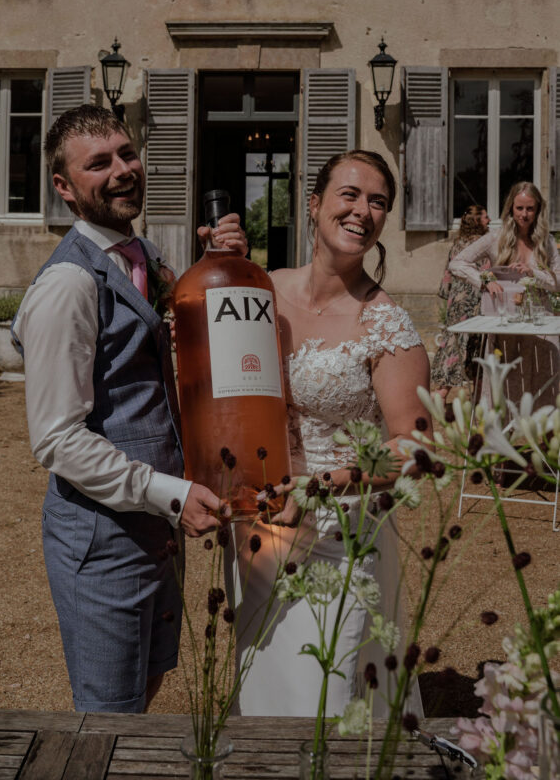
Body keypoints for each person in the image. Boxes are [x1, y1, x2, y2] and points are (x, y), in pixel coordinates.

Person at [12, 104, 246, 714]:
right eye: (98, 163)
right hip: (103, 538)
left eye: (126, 153)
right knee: (107, 715)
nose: (122, 170)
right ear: (64, 187)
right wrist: (172, 495)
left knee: (146, 686)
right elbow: (58, 440)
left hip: (156, 532)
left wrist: (222, 270)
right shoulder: (66, 286)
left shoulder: (140, 254)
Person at [227, 149, 430, 718]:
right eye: (350, 194)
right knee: (261, 682)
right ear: (313, 204)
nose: (362, 210)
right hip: (260, 524)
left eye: (378, 202)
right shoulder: (260, 291)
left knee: (323, 695)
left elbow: (415, 447)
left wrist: (320, 484)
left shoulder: (385, 323)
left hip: (342, 531)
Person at [449, 181, 560, 405]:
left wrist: (534, 272)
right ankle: (501, 435)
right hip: (504, 320)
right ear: (511, 208)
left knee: (546, 382)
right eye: (519, 208)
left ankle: (546, 437)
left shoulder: (546, 241)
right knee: (504, 383)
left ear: (538, 210)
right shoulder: (495, 238)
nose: (525, 214)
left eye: (530, 208)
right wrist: (484, 280)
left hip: (540, 321)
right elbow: (457, 263)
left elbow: (557, 283)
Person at [431, 205, 491, 401]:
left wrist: (447, 295)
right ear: (477, 222)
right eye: (485, 218)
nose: (489, 220)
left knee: (454, 343)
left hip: (456, 302)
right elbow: (488, 274)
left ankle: (441, 392)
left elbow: (448, 273)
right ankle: (479, 394)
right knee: (478, 343)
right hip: (476, 300)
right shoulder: (483, 244)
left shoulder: (457, 243)